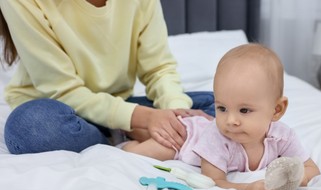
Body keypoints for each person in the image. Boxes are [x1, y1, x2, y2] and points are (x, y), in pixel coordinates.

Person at [0, 0, 214, 154]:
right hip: (57, 109)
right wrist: (146, 118)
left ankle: (128, 130)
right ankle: (122, 138)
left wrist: (175, 114)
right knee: (29, 126)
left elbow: (159, 69)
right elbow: (63, 90)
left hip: (120, 104)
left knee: (227, 105)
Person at [122, 43, 321, 190]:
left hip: (197, 129)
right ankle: (128, 134)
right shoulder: (217, 137)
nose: (230, 121)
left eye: (244, 110)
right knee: (141, 153)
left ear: (277, 110)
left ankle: (140, 131)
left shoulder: (282, 137)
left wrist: (294, 178)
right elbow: (214, 180)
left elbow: (311, 169)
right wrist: (247, 188)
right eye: (222, 108)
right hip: (185, 137)